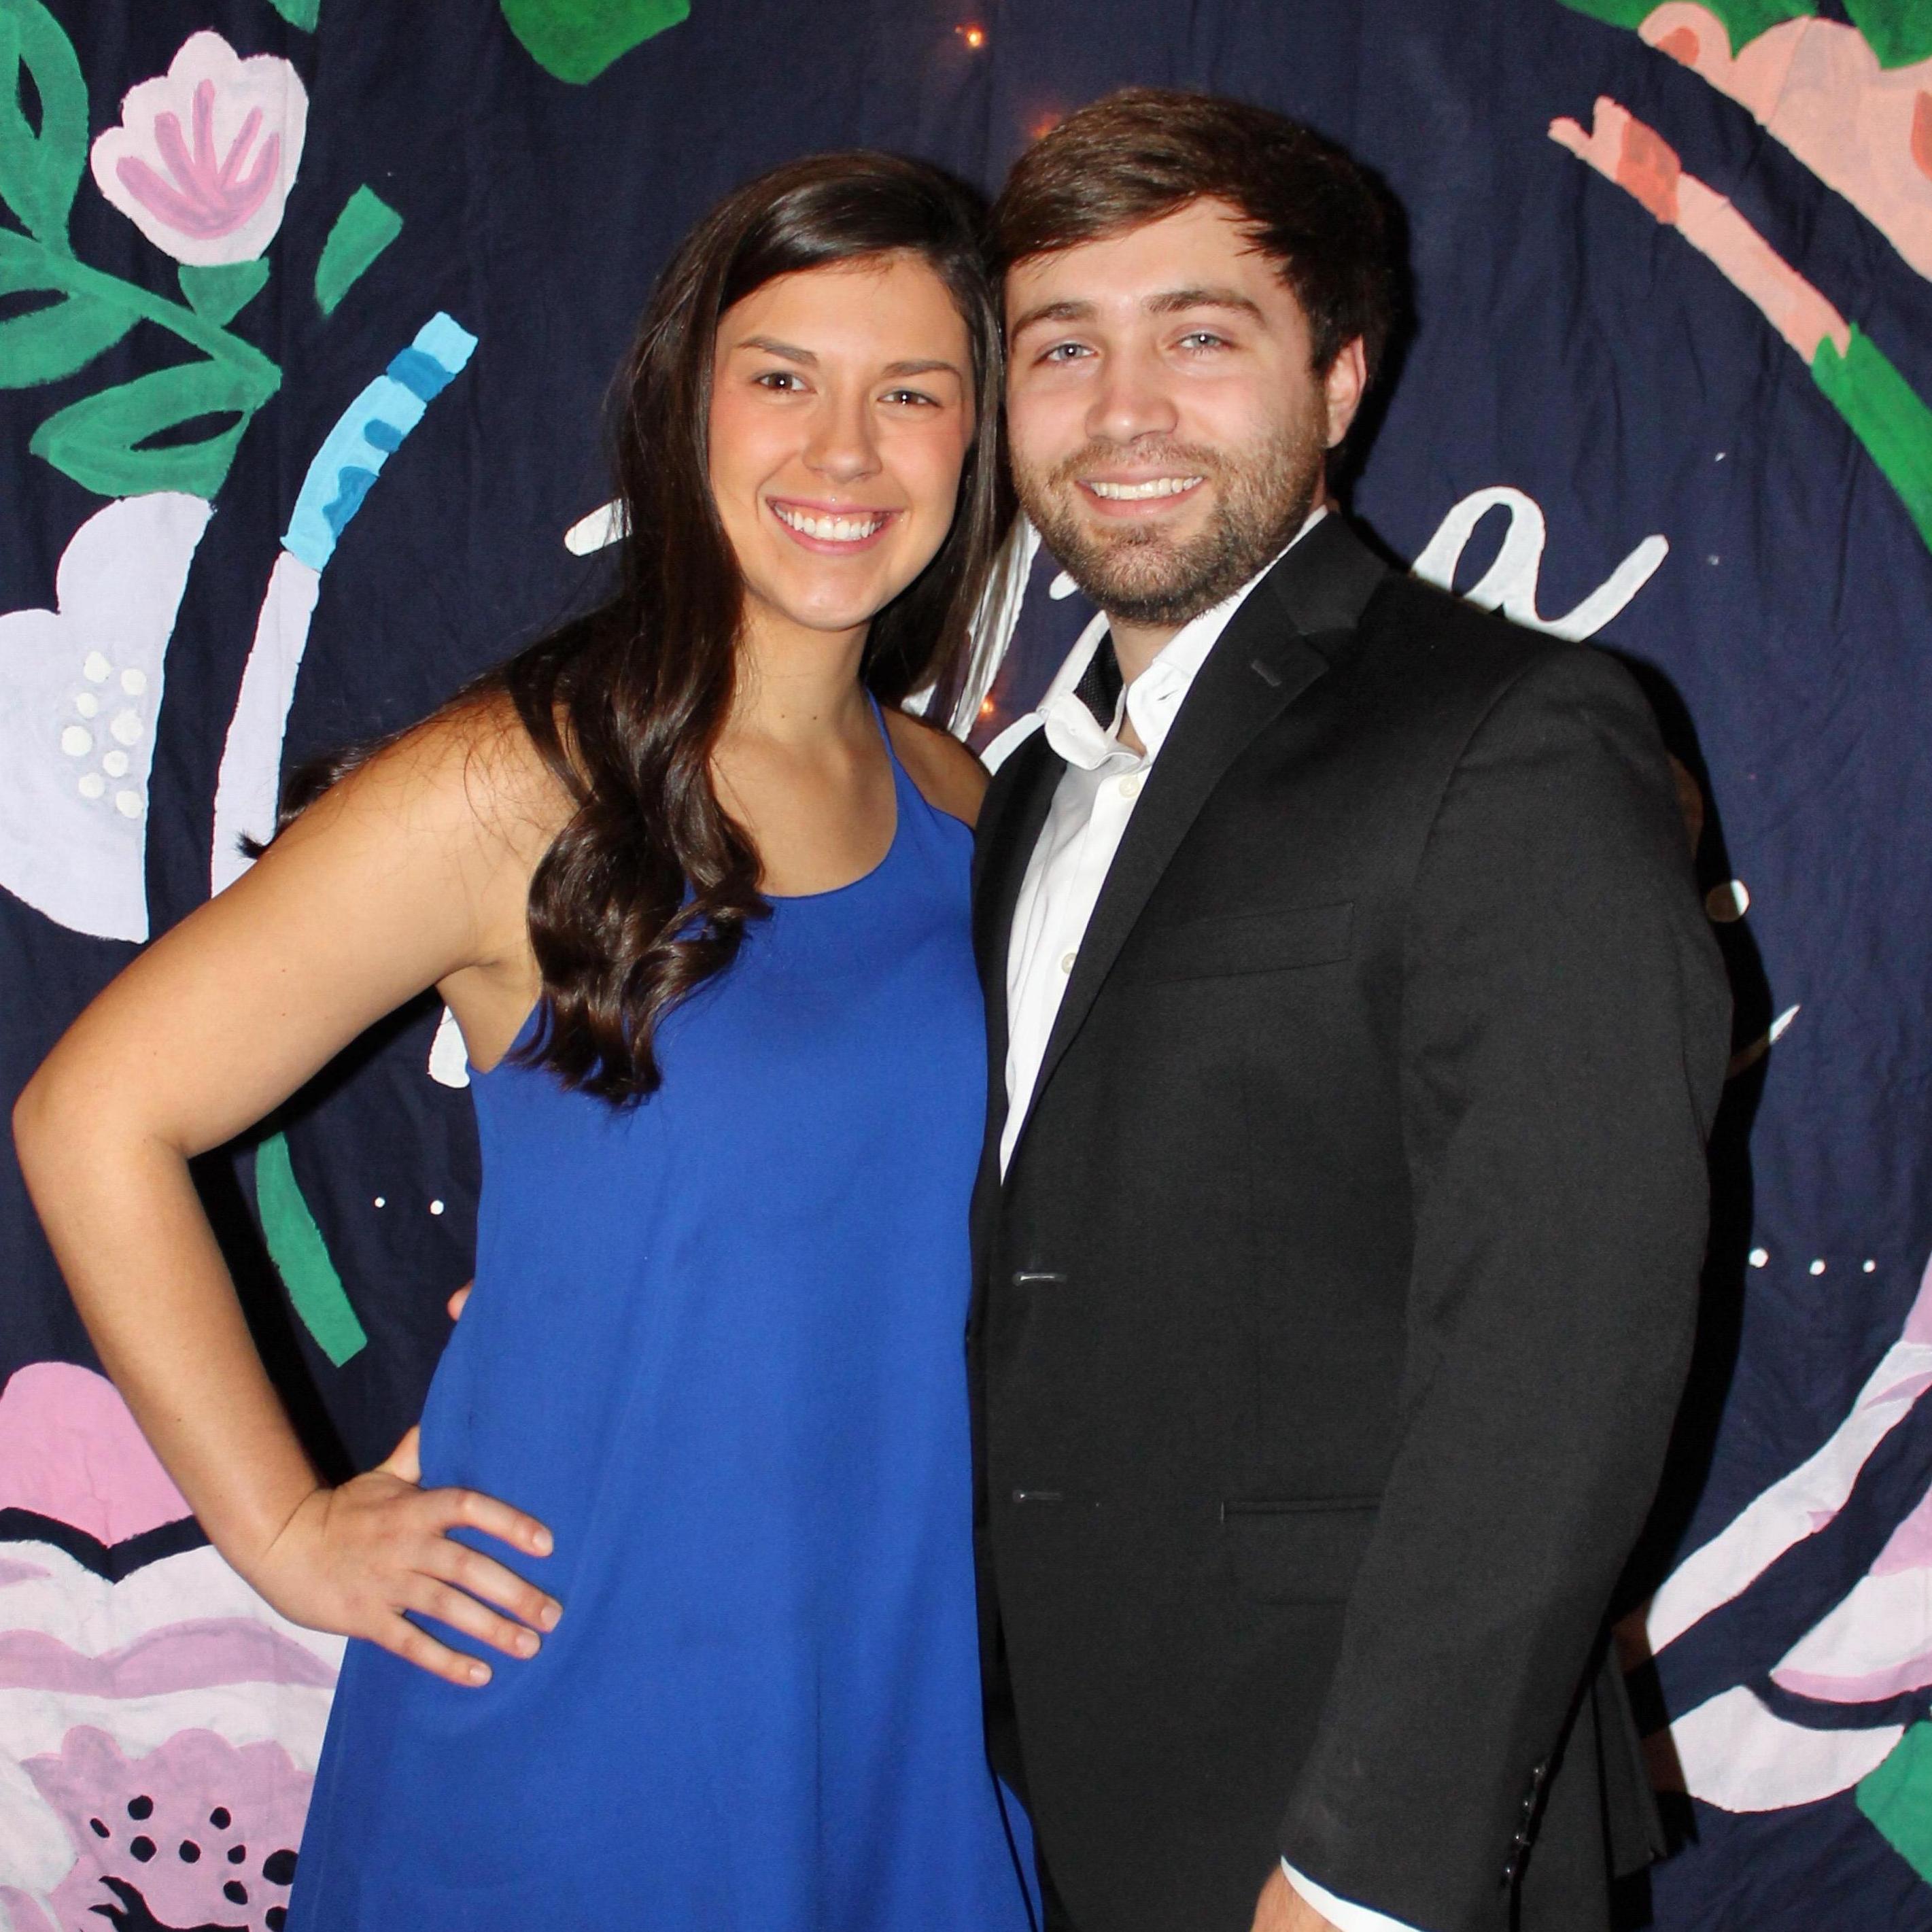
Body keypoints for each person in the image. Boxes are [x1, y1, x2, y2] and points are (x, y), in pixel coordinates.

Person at [14, 152, 1033, 1932]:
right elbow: (93, 1114)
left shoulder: (957, 796)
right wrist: (283, 1530)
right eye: (783, 376)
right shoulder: (515, 783)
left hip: (898, 1685)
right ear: (688, 405)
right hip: (587, 1688)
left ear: (976, 441)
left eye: (911, 392)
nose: (843, 449)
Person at [968, 90, 1731, 1932]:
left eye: (1199, 336)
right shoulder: (1021, 793)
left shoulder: (1508, 734)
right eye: (1062, 346)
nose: (1122, 409)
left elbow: (1561, 1346)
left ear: (1338, 380)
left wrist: (1366, 1872)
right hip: (1034, 1787)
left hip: (1346, 1819)